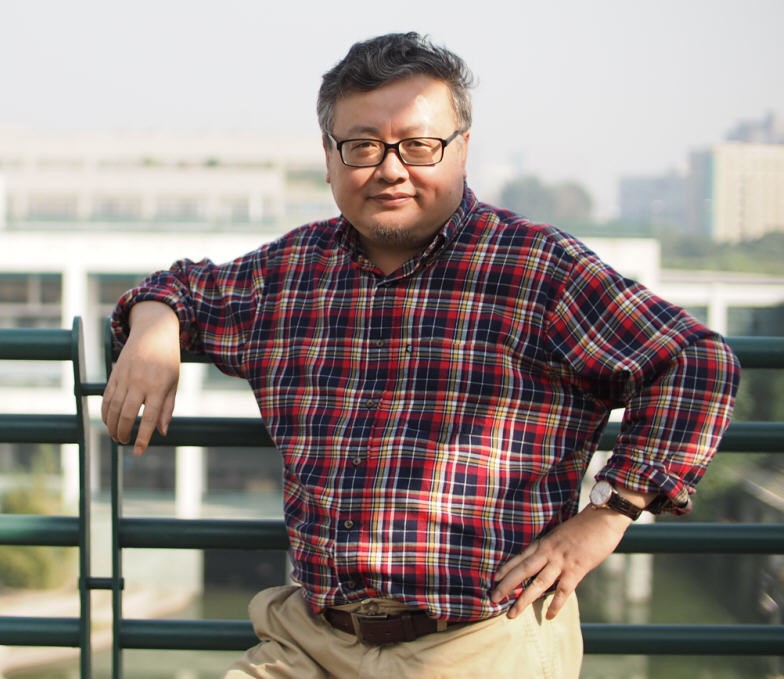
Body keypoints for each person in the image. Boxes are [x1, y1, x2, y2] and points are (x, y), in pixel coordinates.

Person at [101, 32, 740, 678]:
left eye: (418, 145)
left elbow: (696, 362)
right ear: (329, 157)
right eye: (362, 146)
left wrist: (609, 513)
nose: (389, 169)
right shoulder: (289, 273)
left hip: (482, 638)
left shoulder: (538, 270)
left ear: (462, 148)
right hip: (314, 641)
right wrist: (155, 327)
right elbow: (181, 286)